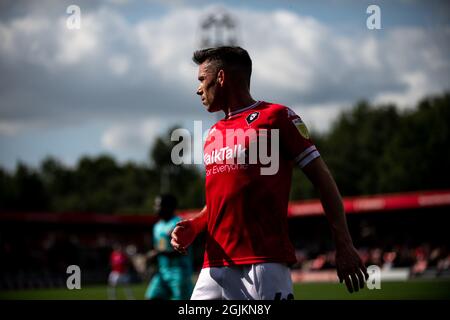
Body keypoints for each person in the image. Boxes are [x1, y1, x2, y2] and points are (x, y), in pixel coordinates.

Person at [171, 46, 368, 300]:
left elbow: (323, 180)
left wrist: (344, 243)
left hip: (262, 264)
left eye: (201, 80)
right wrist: (196, 225)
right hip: (214, 265)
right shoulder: (212, 134)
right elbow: (222, 200)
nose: (198, 89)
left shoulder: (276, 118)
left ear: (220, 78)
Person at [145, 194, 193, 300]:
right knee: (152, 296)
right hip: (162, 271)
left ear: (169, 207)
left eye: (158, 205)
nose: (155, 208)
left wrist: (159, 253)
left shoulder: (179, 223)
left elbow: (184, 249)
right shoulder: (157, 226)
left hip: (179, 271)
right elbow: (158, 247)